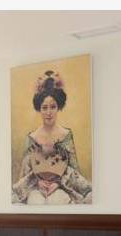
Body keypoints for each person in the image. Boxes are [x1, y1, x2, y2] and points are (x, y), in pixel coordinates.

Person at [12, 70, 92, 204]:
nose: (48, 112)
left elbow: (74, 172)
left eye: (53, 107)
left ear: (58, 107)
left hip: (62, 188)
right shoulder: (32, 137)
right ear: (39, 109)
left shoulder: (66, 135)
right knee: (35, 201)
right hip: (36, 189)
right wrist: (38, 182)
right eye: (44, 108)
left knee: (59, 199)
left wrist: (58, 183)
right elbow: (25, 175)